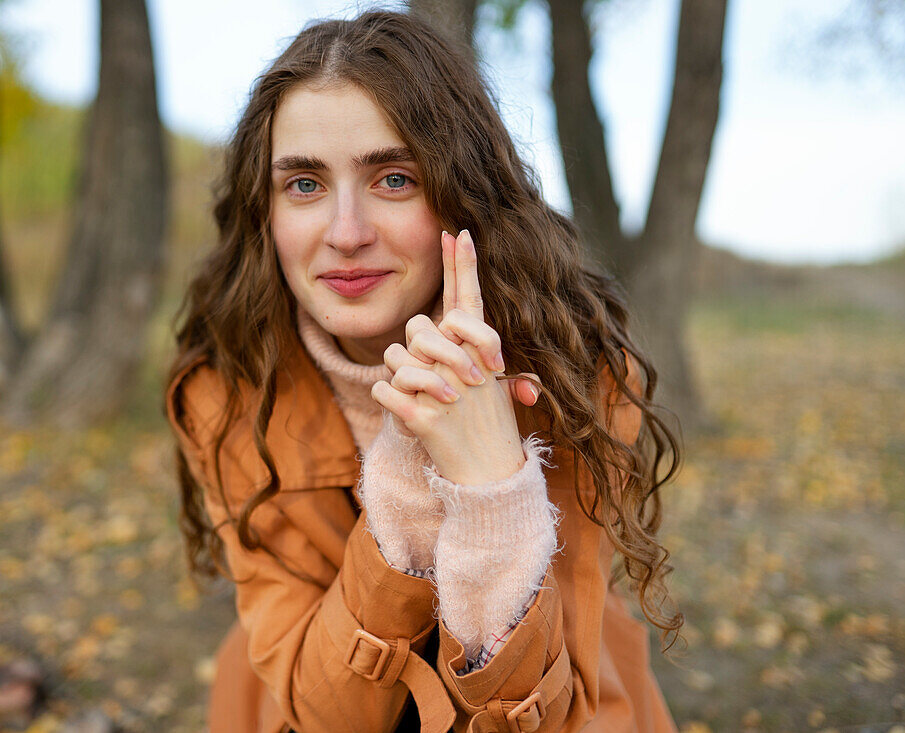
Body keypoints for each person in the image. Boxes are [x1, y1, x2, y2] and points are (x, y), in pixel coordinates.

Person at [165, 10, 683, 733]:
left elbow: (541, 716)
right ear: (266, 210)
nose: (346, 234)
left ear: (460, 192)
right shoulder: (226, 392)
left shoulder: (574, 375)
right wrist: (410, 472)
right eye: (305, 185)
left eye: (395, 178)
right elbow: (326, 712)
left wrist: (494, 492)